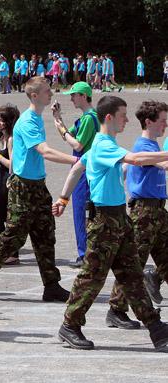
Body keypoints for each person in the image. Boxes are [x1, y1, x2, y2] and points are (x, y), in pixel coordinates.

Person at [53, 96, 168, 351]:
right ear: (109, 118)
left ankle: (155, 327)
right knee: (92, 277)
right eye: (122, 115)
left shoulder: (101, 145)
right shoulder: (104, 144)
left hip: (118, 219)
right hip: (104, 220)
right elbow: (136, 160)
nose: (127, 120)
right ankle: (70, 325)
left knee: (132, 275)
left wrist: (63, 197)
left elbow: (77, 168)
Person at [0, 77, 76, 302]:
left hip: (37, 185)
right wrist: (76, 161)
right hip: (22, 187)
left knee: (45, 234)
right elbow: (45, 151)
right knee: (14, 236)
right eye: (47, 91)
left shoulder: (36, 118)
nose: (51, 93)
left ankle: (51, 285)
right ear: (34, 95)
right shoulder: (27, 122)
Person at [106, 101, 168, 329]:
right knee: (133, 263)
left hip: (158, 210)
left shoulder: (153, 145)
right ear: (149, 122)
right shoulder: (143, 147)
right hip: (144, 212)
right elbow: (161, 163)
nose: (166, 124)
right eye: (162, 120)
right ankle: (116, 309)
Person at [52, 82, 98, 268]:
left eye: (74, 95)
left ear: (83, 96)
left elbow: (77, 144)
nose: (71, 98)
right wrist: (58, 119)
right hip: (85, 171)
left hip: (84, 171)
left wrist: (62, 129)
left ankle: (84, 254)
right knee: (83, 212)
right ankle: (86, 252)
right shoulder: (87, 118)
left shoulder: (89, 118)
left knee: (81, 213)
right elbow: (67, 135)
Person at [0, 104, 19, 265]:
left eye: (2, 120)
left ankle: (11, 252)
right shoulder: (4, 138)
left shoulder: (12, 139)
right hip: (2, 178)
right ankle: (9, 251)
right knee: (1, 218)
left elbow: (13, 165)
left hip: (8, 179)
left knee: (0, 218)